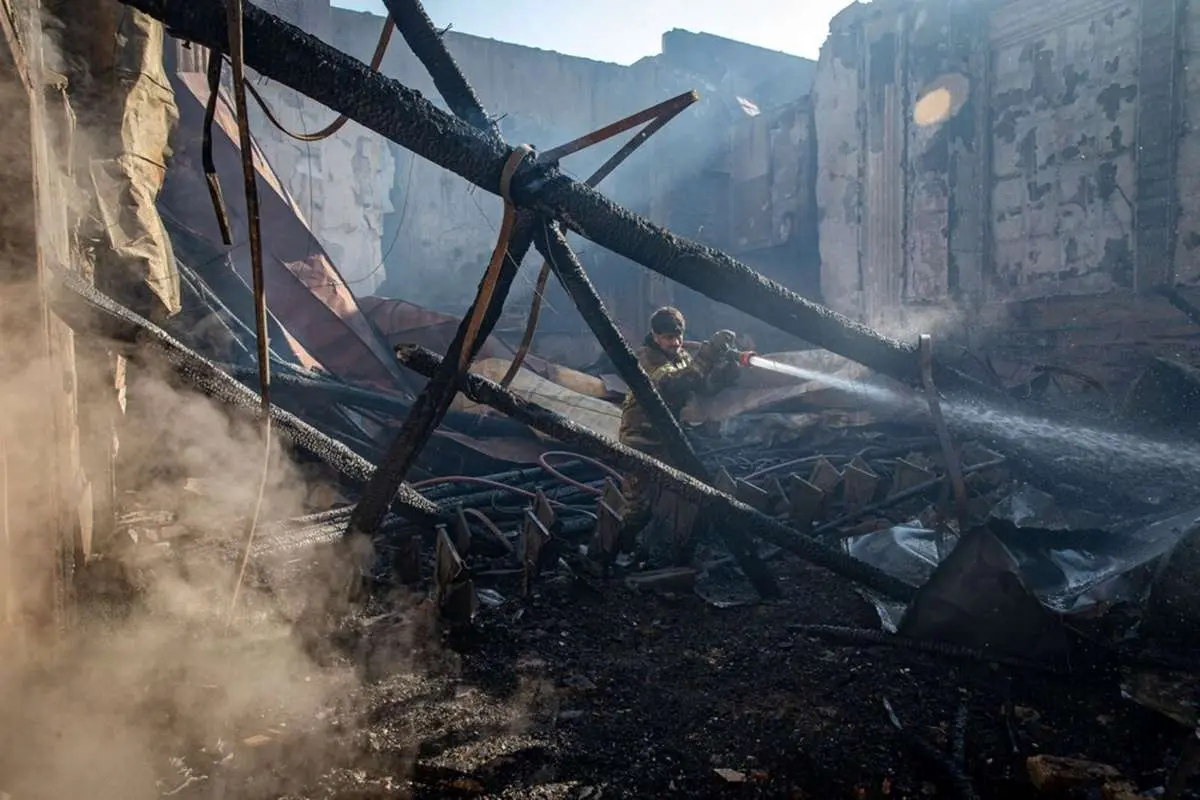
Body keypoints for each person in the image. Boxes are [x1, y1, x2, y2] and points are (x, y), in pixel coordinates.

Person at [615, 306, 745, 553]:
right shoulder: (645, 359)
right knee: (638, 504)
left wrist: (727, 370)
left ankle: (673, 545)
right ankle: (618, 550)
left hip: (669, 436)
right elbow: (673, 383)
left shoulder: (680, 356)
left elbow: (704, 386)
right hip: (641, 439)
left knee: (686, 489)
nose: (675, 343)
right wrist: (707, 355)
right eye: (668, 338)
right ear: (655, 336)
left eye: (678, 336)